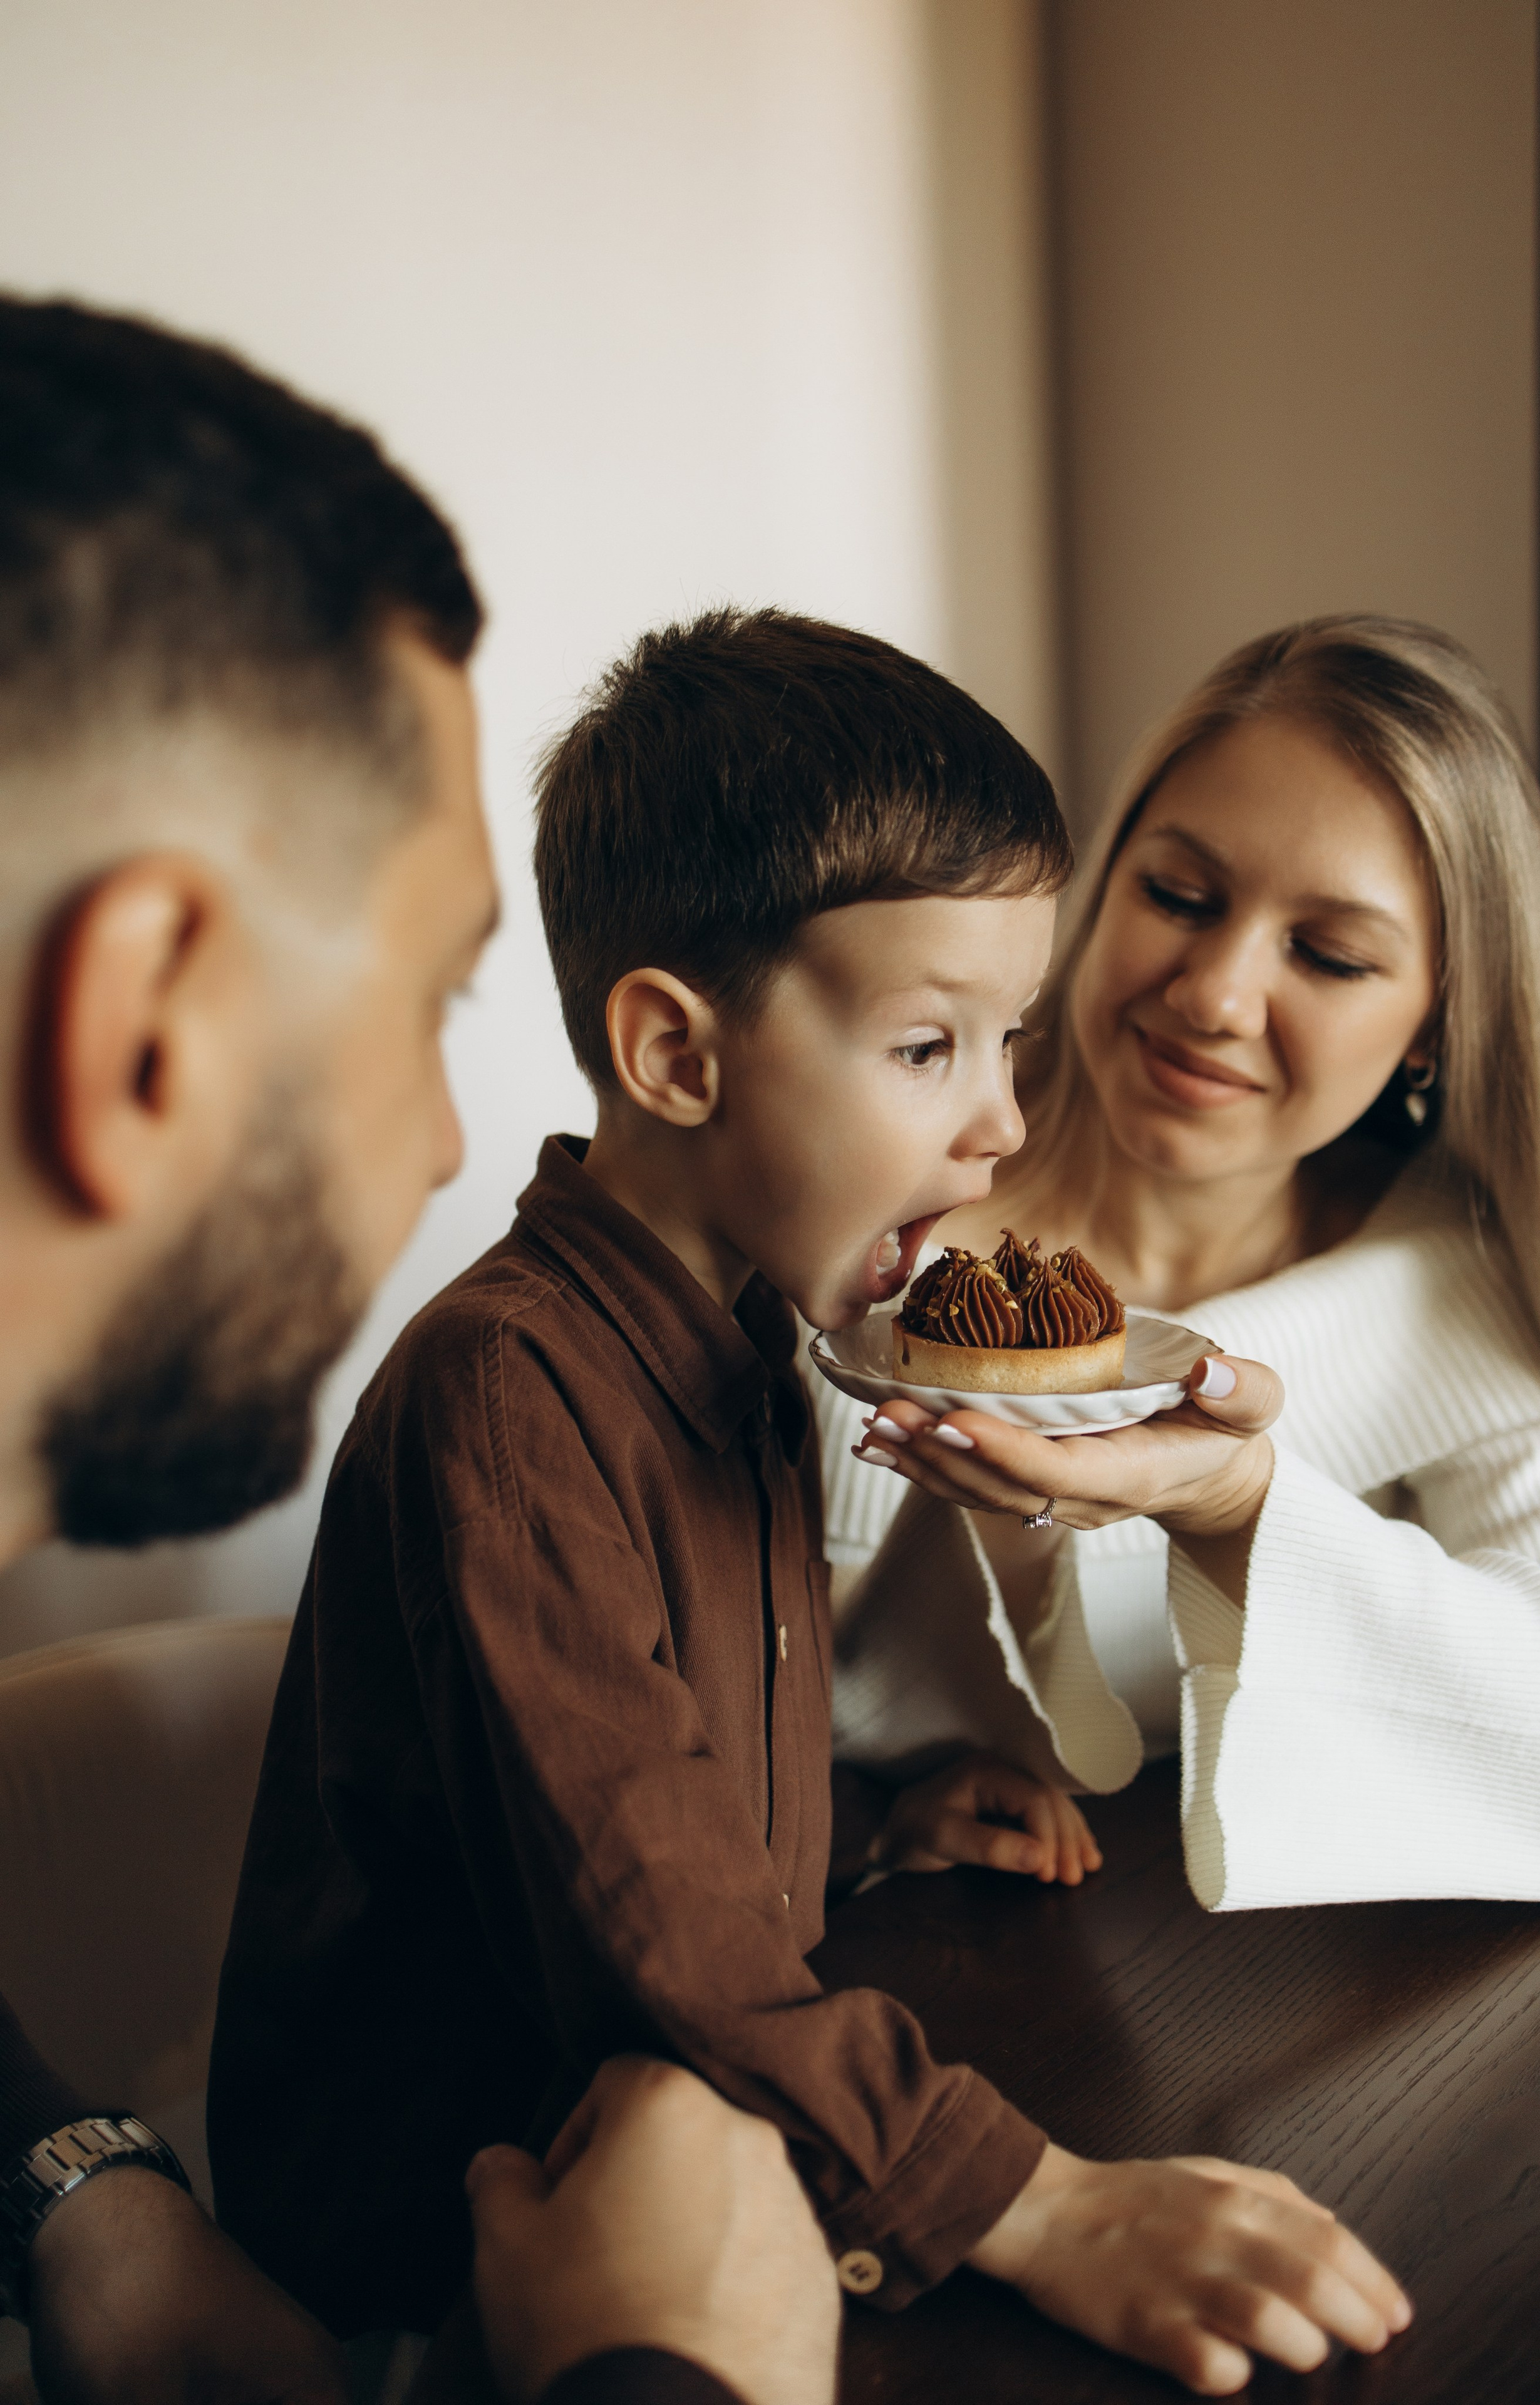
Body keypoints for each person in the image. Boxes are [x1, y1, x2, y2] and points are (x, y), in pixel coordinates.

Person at [210, 607, 1412, 2399]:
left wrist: (862, 1816)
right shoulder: (506, 1399)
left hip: (700, 2142)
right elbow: (644, 1913)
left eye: (1010, 1042)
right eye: (932, 1050)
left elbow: (626, 1767)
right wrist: (1045, 2206)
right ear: (679, 1057)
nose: (1003, 1126)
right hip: (436, 2262)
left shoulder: (765, 1334)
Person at [0, 292, 835, 2405]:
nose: (456, 1138)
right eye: (437, 998)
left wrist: (81, 2206)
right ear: (147, 1030)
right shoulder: (506, 1381)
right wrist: (664, 2382)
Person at [819, 615, 1540, 1911]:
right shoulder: (859, 1238)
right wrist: (855, 1822)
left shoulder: (1444, 1287)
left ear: (1437, 1022)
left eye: (1329, 955)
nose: (1215, 995)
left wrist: (1240, 1513)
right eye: (1177, 898)